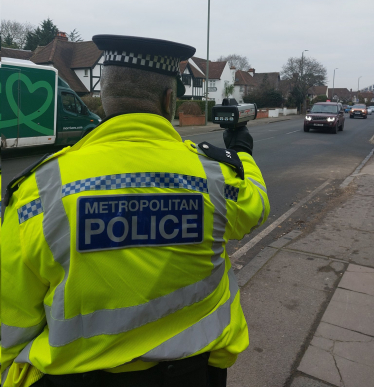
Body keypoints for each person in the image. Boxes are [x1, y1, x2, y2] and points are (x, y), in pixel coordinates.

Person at [1, 35, 270, 387]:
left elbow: (11, 318)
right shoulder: (213, 178)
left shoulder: (40, 190)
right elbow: (256, 205)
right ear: (170, 99)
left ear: (105, 98)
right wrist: (242, 154)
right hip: (191, 376)